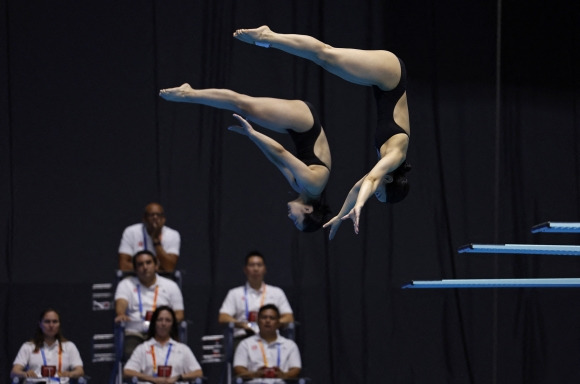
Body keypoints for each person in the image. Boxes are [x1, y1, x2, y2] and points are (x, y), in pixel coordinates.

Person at [234, 26, 412, 239]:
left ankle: (269, 38)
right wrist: (361, 206)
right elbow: (371, 181)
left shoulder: (389, 164)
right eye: (379, 194)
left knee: (326, 58)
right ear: (389, 181)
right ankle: (268, 36)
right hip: (391, 76)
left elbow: (357, 188)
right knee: (326, 55)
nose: (374, 192)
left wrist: (340, 215)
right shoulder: (396, 155)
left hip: (382, 83)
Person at [159, 85, 332, 232]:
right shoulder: (313, 185)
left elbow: (276, 159)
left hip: (298, 129)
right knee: (242, 104)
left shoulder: (300, 186)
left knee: (245, 108)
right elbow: (281, 152)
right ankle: (188, 93)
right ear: (308, 209)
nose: (290, 217)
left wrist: (253, 137)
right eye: (296, 220)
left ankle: (189, 94)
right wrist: (254, 134)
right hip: (304, 122)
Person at [115, 250, 185, 360]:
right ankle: (136, 377)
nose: (145, 267)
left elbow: (179, 314)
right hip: (135, 332)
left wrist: (163, 322)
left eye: (148, 263)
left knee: (171, 355)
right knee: (131, 353)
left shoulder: (170, 285)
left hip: (162, 331)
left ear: (156, 265)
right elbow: (121, 303)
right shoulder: (126, 284)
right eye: (140, 264)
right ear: (135, 268)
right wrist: (121, 313)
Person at [219, 251, 294, 340]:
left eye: (259, 265)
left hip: (270, 338)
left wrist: (271, 323)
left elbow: (289, 317)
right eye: (252, 265)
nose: (255, 269)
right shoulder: (235, 293)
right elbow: (223, 317)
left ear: (265, 269)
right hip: (243, 337)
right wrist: (242, 324)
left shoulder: (276, 292)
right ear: (245, 269)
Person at [124, 306, 203, 384]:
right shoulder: (143, 348)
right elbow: (127, 371)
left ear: (172, 325)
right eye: (160, 320)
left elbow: (198, 373)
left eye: (168, 320)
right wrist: (152, 379)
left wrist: (178, 378)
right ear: (154, 323)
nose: (163, 323)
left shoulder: (182, 349)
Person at [11, 308, 84, 382]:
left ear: (59, 324)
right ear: (40, 324)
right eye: (47, 321)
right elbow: (14, 372)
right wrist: (25, 374)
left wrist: (70, 374)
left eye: (55, 322)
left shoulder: (69, 346)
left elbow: (80, 371)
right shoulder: (28, 346)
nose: (51, 325)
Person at [233, 304, 301, 382]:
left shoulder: (290, 345)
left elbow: (296, 369)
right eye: (264, 317)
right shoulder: (245, 344)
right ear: (257, 321)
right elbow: (238, 369)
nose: (267, 321)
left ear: (278, 322)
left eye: (272, 318)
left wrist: (283, 375)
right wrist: (255, 374)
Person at [118, 202, 181, 271]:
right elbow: (123, 266)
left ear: (164, 219)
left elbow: (169, 268)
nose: (155, 217)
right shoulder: (131, 232)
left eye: (158, 215)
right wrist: (151, 268)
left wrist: (156, 241)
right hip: (136, 277)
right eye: (151, 215)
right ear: (144, 219)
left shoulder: (172, 235)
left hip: (162, 278)